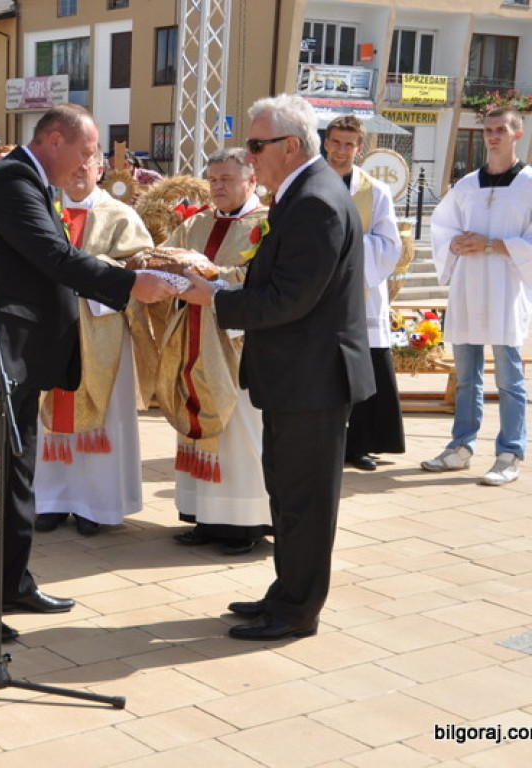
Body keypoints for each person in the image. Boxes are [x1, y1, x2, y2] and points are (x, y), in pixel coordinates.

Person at [0, 104, 175, 642]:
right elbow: (54, 256)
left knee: (19, 475)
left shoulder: (32, 181)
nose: (89, 163)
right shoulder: (10, 182)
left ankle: (13, 582)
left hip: (17, 356)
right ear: (53, 140)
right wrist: (130, 284)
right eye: (86, 151)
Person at [181, 94, 374, 640]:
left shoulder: (315, 201)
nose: (249, 155)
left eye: (256, 145)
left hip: (314, 379)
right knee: (289, 497)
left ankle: (297, 611)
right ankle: (287, 592)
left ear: (289, 146)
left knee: (305, 503)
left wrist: (215, 299)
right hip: (298, 376)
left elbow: (292, 297)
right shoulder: (302, 194)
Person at [33, 149, 154, 536]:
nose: (79, 169)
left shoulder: (120, 215)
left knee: (104, 418)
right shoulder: (43, 210)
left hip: (101, 331)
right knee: (45, 415)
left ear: (101, 169)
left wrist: (92, 276)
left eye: (87, 162)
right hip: (49, 329)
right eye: (73, 161)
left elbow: (140, 264)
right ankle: (49, 500)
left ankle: (95, 505)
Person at [158, 148, 272, 556]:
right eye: (213, 179)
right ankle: (204, 516)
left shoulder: (266, 224)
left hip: (235, 344)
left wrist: (207, 274)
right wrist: (163, 265)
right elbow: (166, 255)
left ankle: (244, 523)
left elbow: (259, 278)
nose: (217, 186)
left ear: (251, 180)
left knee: (239, 432)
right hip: (192, 339)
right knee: (196, 424)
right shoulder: (197, 222)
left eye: (226, 179)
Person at [423, 106, 532, 486]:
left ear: (518, 134)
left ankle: (509, 453)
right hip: (468, 287)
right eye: (488, 130)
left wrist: (493, 244)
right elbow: (441, 227)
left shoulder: (529, 184)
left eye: (501, 129)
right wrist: (453, 243)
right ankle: (461, 447)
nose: (493, 136)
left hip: (506, 288)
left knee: (509, 378)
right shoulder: (467, 185)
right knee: (467, 376)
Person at [324, 115, 405, 472]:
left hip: (362, 291)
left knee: (364, 367)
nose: (341, 150)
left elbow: (389, 245)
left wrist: (344, 247)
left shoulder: (375, 191)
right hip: (316, 291)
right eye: (336, 142)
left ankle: (360, 445)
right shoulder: (310, 182)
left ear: (360, 148)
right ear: (326, 142)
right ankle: (323, 442)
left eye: (349, 144)